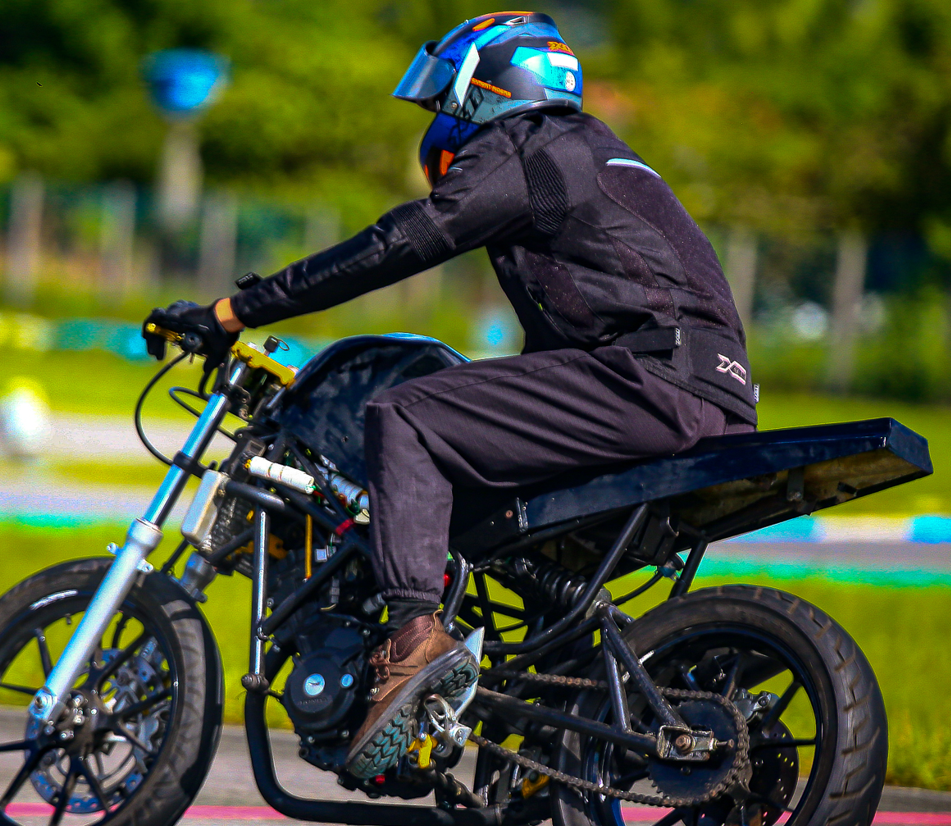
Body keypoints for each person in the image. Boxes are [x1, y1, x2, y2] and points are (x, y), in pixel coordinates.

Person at [142, 11, 758, 781]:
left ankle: (410, 644)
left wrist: (235, 310)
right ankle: (540, 732)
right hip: (709, 395)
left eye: (445, 101)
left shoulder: (528, 144)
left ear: (488, 85)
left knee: (405, 414)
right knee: (489, 519)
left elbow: (398, 243)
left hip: (645, 381)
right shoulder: (599, 154)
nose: (441, 122)